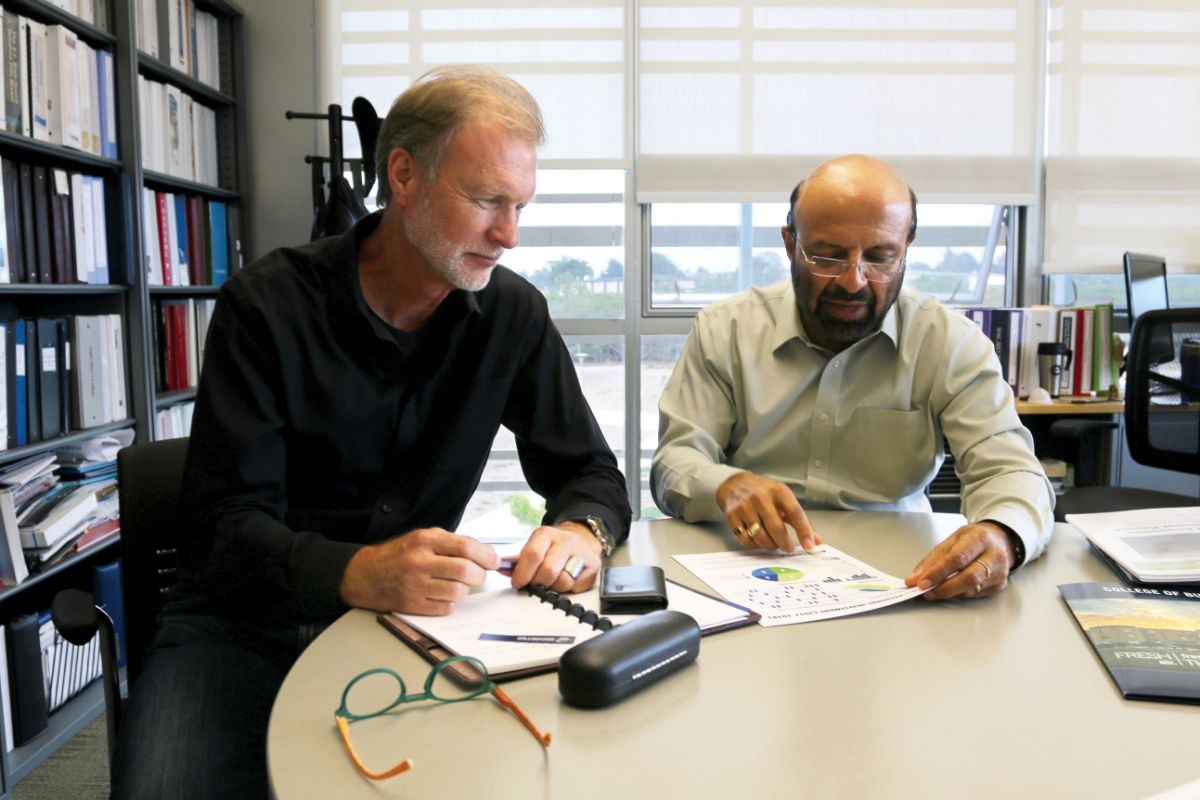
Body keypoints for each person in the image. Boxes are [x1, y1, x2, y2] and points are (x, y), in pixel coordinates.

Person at [111, 65, 631, 798]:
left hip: (411, 629)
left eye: (520, 206)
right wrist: (356, 573)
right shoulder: (265, 306)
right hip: (238, 627)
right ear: (404, 175)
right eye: (487, 200)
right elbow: (221, 529)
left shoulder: (513, 315)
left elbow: (592, 474)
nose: (509, 234)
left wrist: (582, 529)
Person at [651, 154, 1052, 602]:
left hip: (901, 576)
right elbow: (675, 464)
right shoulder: (726, 330)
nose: (854, 281)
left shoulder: (949, 343)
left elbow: (1011, 469)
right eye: (827, 256)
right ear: (789, 243)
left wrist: (1000, 534)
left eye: (881, 257)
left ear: (907, 248)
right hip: (745, 568)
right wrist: (725, 485)